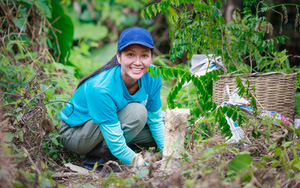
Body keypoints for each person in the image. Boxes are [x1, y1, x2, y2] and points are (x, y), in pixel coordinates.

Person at [58, 27, 165, 171]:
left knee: (167, 123)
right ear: (119, 57)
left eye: (144, 56)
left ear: (151, 57)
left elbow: (156, 120)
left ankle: (120, 151)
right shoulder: (101, 88)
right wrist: (145, 167)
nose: (138, 62)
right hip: (75, 133)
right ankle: (97, 161)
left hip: (106, 125)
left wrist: (169, 155)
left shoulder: (152, 74)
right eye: (131, 55)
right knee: (137, 113)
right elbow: (117, 145)